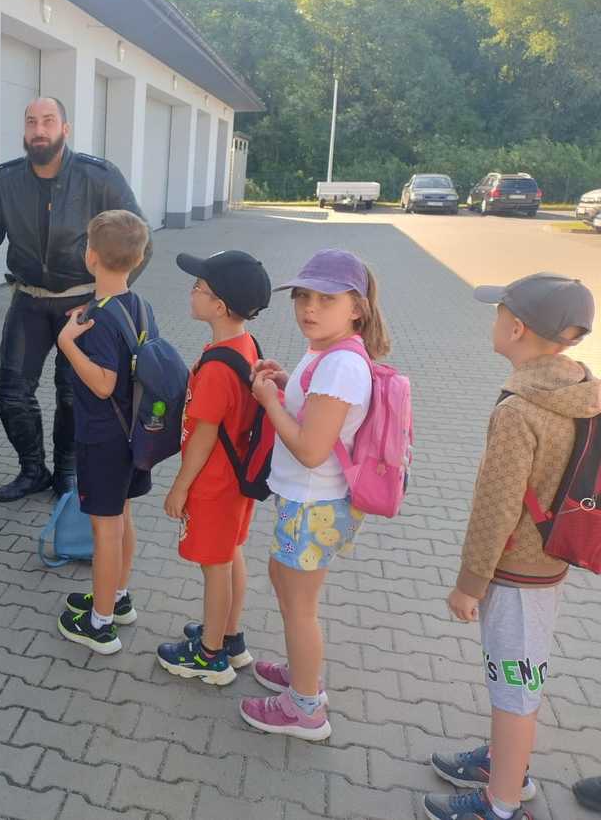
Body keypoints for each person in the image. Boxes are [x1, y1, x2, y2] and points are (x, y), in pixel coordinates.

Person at [0, 97, 148, 502]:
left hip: (83, 304)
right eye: (31, 122)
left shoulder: (99, 176)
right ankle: (33, 470)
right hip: (29, 301)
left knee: (73, 395)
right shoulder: (4, 180)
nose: (39, 130)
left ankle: (68, 472)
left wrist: (104, 300)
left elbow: (140, 241)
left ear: (65, 129)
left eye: (48, 121)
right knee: (12, 393)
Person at [424, 273, 598, 820]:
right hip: (551, 562)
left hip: (517, 572)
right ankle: (505, 761)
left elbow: (495, 507)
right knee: (521, 675)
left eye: (499, 311)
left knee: (514, 690)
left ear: (516, 328)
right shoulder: (583, 389)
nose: (494, 319)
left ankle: (501, 803)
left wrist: (468, 584)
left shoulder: (519, 411)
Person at [240, 249, 389, 741]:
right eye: (303, 296)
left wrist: (269, 401)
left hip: (314, 502)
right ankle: (301, 672)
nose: (309, 307)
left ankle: (305, 709)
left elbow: (309, 449)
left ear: (357, 308)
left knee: (300, 608)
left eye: (327, 298)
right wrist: (288, 384)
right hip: (306, 500)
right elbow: (318, 413)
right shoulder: (327, 350)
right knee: (284, 584)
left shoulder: (340, 365)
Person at [156, 250, 272, 685]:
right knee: (230, 553)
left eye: (198, 288)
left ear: (219, 306)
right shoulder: (244, 345)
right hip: (236, 480)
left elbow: (204, 434)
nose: (191, 293)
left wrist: (180, 487)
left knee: (215, 566)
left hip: (214, 482)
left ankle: (210, 655)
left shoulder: (218, 368)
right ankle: (229, 635)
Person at [54, 210, 152, 654]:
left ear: (90, 256)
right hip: (133, 433)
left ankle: (100, 624)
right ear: (139, 258)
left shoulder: (97, 319)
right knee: (122, 517)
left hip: (102, 438)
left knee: (105, 530)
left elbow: (103, 383)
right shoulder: (139, 305)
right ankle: (118, 595)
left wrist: (67, 343)